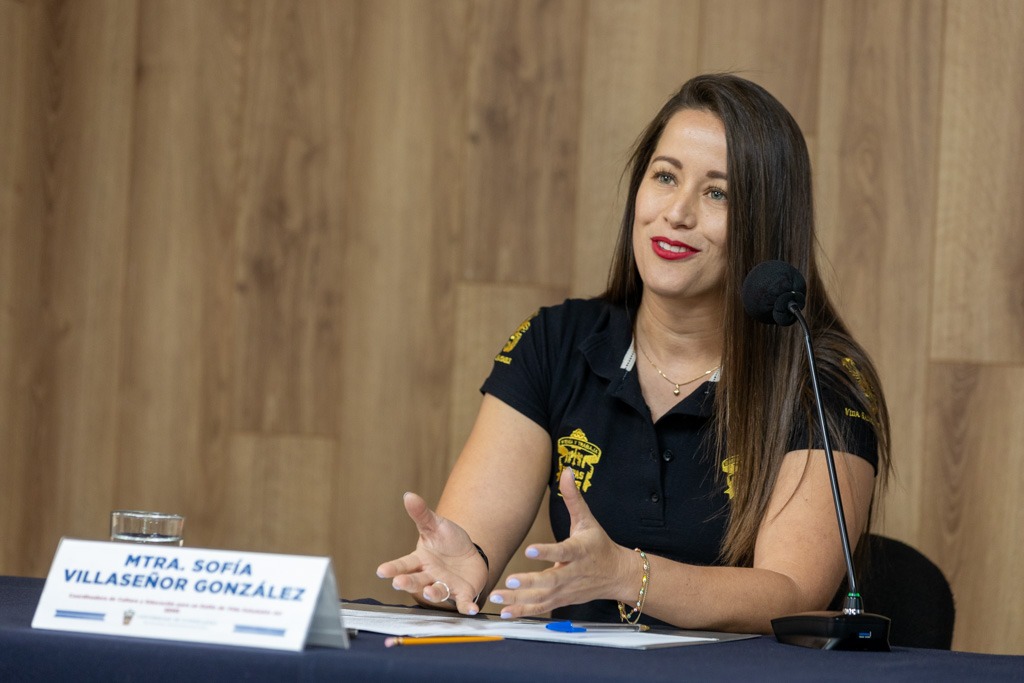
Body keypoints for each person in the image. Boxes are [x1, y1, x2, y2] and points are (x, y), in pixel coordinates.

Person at [376, 73, 891, 633]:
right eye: (665, 177)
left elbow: (793, 594)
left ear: (766, 224)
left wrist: (627, 574)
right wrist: (457, 572)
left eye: (717, 193)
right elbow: (468, 550)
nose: (677, 212)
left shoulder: (821, 379)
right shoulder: (557, 342)